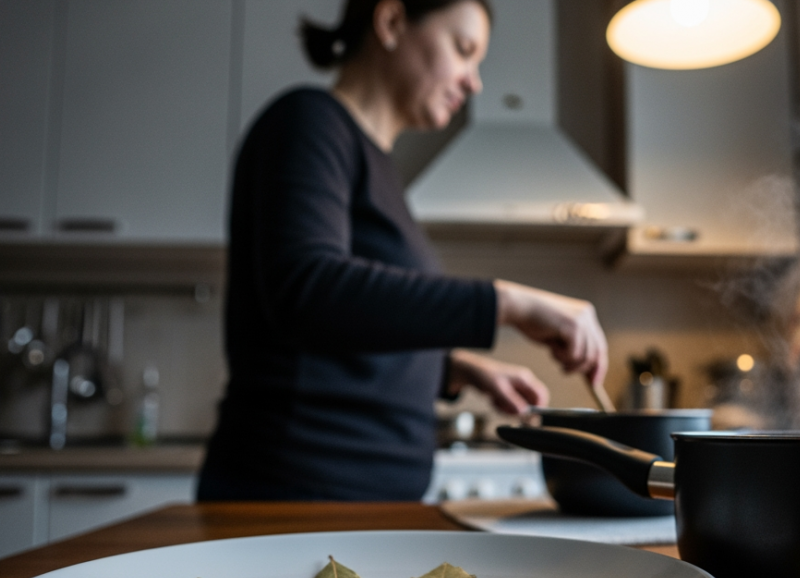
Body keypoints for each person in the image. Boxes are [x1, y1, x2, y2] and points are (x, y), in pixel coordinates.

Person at [197, 0, 608, 502]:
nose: (474, 82)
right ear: (391, 22)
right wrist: (509, 304)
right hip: (294, 499)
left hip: (361, 505)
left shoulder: (381, 170)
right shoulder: (308, 123)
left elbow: (350, 339)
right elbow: (307, 290)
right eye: (463, 50)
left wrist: (456, 369)